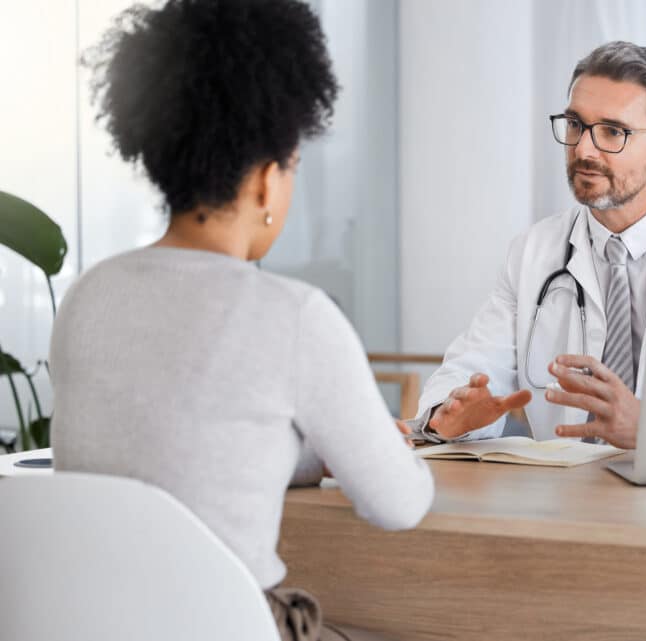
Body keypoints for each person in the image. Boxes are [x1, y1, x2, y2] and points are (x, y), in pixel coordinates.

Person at [49, 2, 432, 640]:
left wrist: (321, 454)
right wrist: (384, 448)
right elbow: (398, 505)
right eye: (292, 171)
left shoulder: (90, 296)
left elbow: (196, 438)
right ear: (264, 182)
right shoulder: (294, 314)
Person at [412, 41, 646, 450]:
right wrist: (448, 418)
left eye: (613, 131)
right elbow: (469, 372)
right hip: (568, 501)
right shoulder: (534, 252)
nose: (583, 149)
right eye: (576, 124)